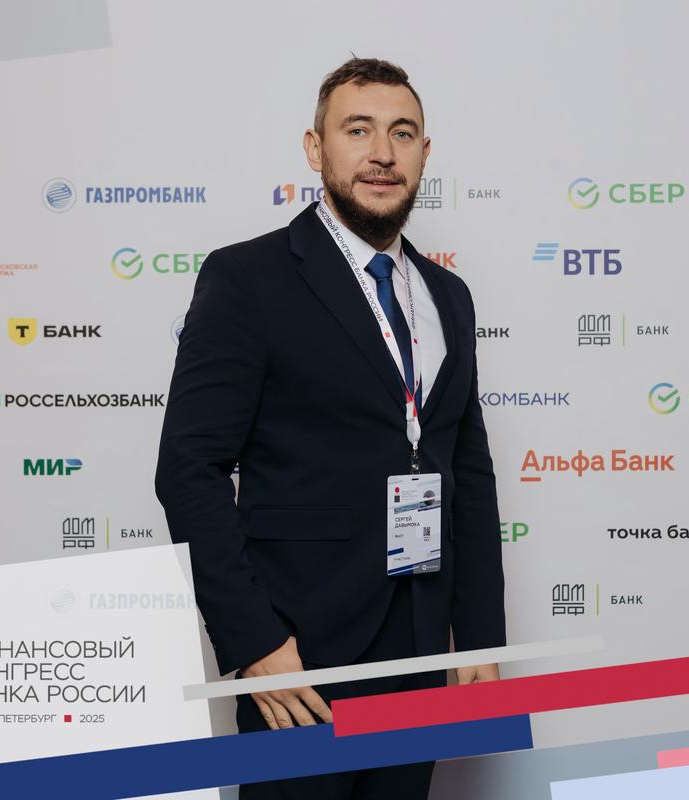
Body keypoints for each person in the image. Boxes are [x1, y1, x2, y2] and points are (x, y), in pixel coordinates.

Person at [155, 57, 505, 800]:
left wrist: (478, 635)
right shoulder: (248, 278)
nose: (382, 152)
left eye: (402, 133)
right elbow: (188, 468)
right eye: (358, 130)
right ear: (315, 149)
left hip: (419, 650)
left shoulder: (449, 296)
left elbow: (467, 470)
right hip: (300, 657)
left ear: (424, 154)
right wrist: (255, 643)